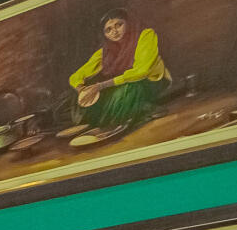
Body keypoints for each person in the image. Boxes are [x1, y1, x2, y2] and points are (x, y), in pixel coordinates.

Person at [68, 8, 170, 140]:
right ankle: (137, 110)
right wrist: (81, 89)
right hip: (125, 83)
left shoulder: (145, 36)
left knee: (126, 91)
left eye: (118, 25)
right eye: (108, 30)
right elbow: (76, 76)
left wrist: (101, 86)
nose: (114, 32)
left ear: (128, 23)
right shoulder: (106, 51)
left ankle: (136, 113)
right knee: (77, 98)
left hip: (151, 82)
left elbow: (142, 71)